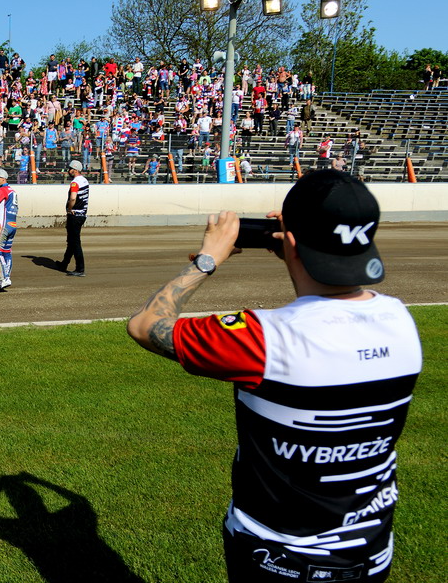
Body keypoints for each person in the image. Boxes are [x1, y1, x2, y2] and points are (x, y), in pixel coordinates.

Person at [126, 170, 421, 583]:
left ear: (291, 242)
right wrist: (302, 260)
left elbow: (145, 325)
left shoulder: (261, 338)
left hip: (278, 559)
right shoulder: (400, 319)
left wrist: (208, 258)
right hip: (369, 553)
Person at [56, 160, 89, 276]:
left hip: (75, 215)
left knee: (75, 242)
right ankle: (64, 263)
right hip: (82, 214)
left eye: (69, 169)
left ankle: (80, 269)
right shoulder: (84, 180)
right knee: (71, 241)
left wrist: (69, 209)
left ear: (74, 170)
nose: (68, 171)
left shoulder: (75, 183)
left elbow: (73, 198)